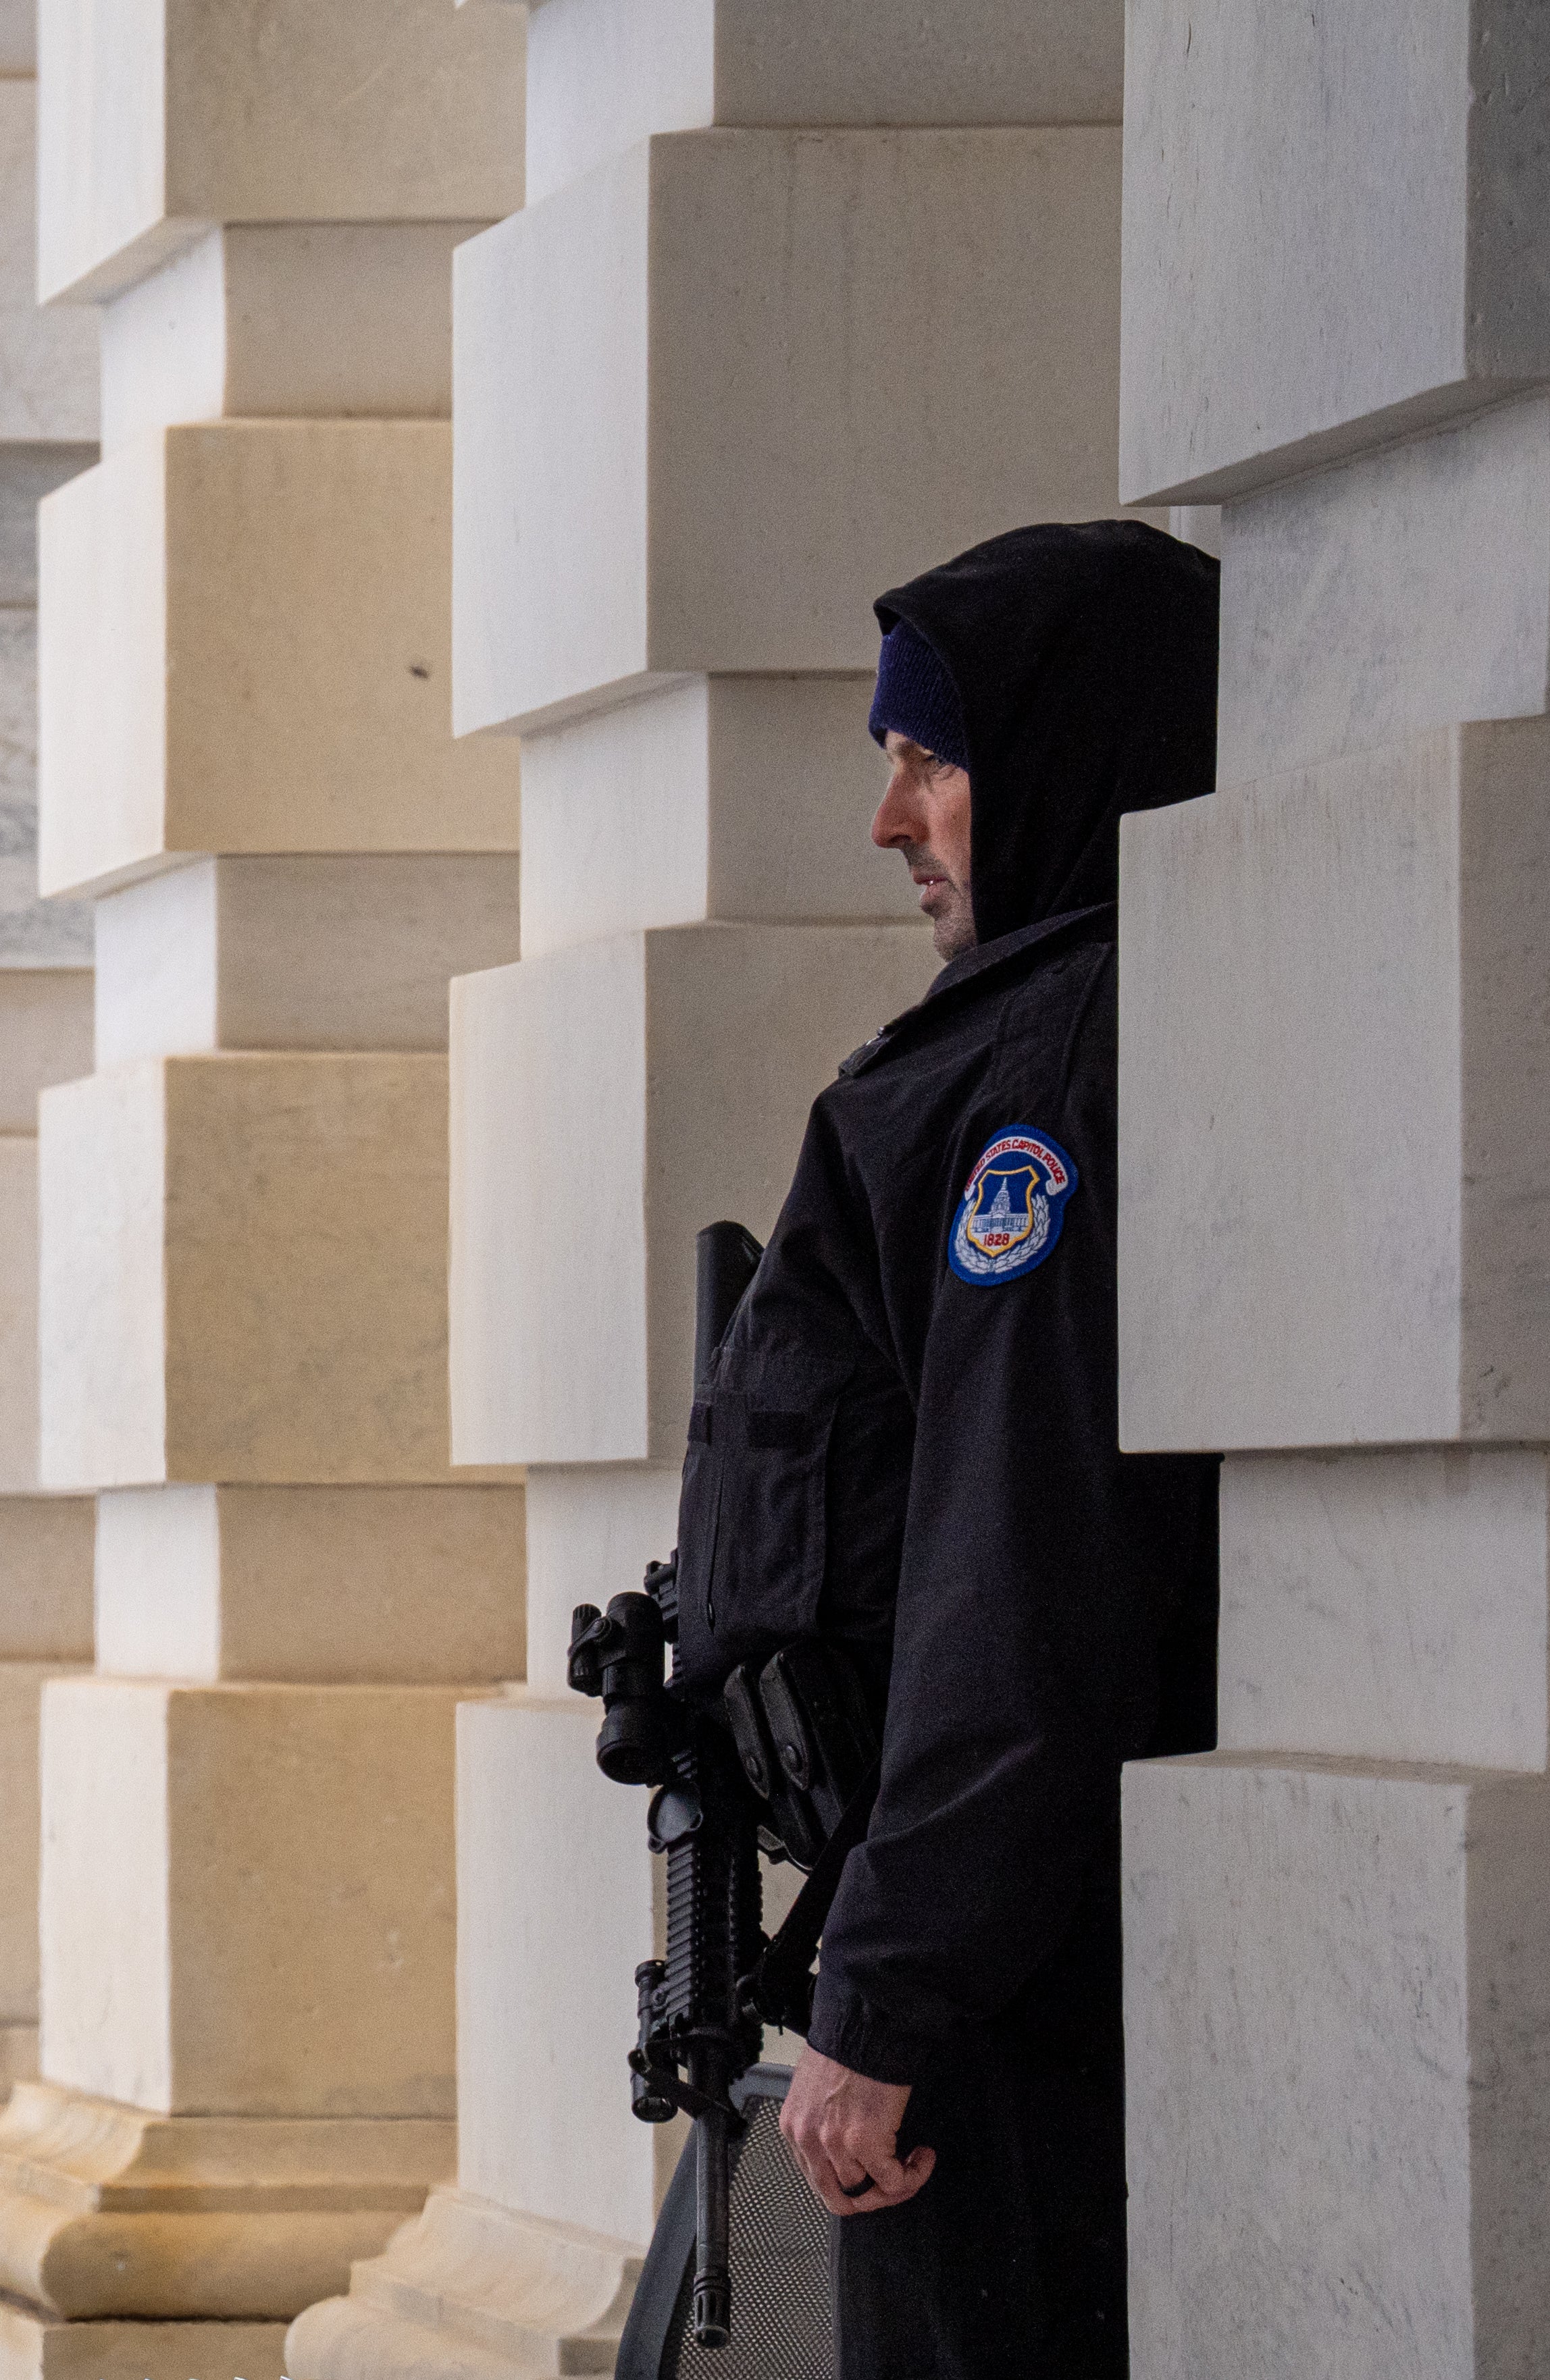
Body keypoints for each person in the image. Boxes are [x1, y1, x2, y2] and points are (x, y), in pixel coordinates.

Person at [669, 521, 1224, 2377]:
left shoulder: (1042, 1083)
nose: (894, 821)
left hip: (1010, 1986)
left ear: (1067, 754)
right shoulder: (1061, 1029)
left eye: (935, 759)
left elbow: (1027, 1554)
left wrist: (890, 1989)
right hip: (1009, 1944)